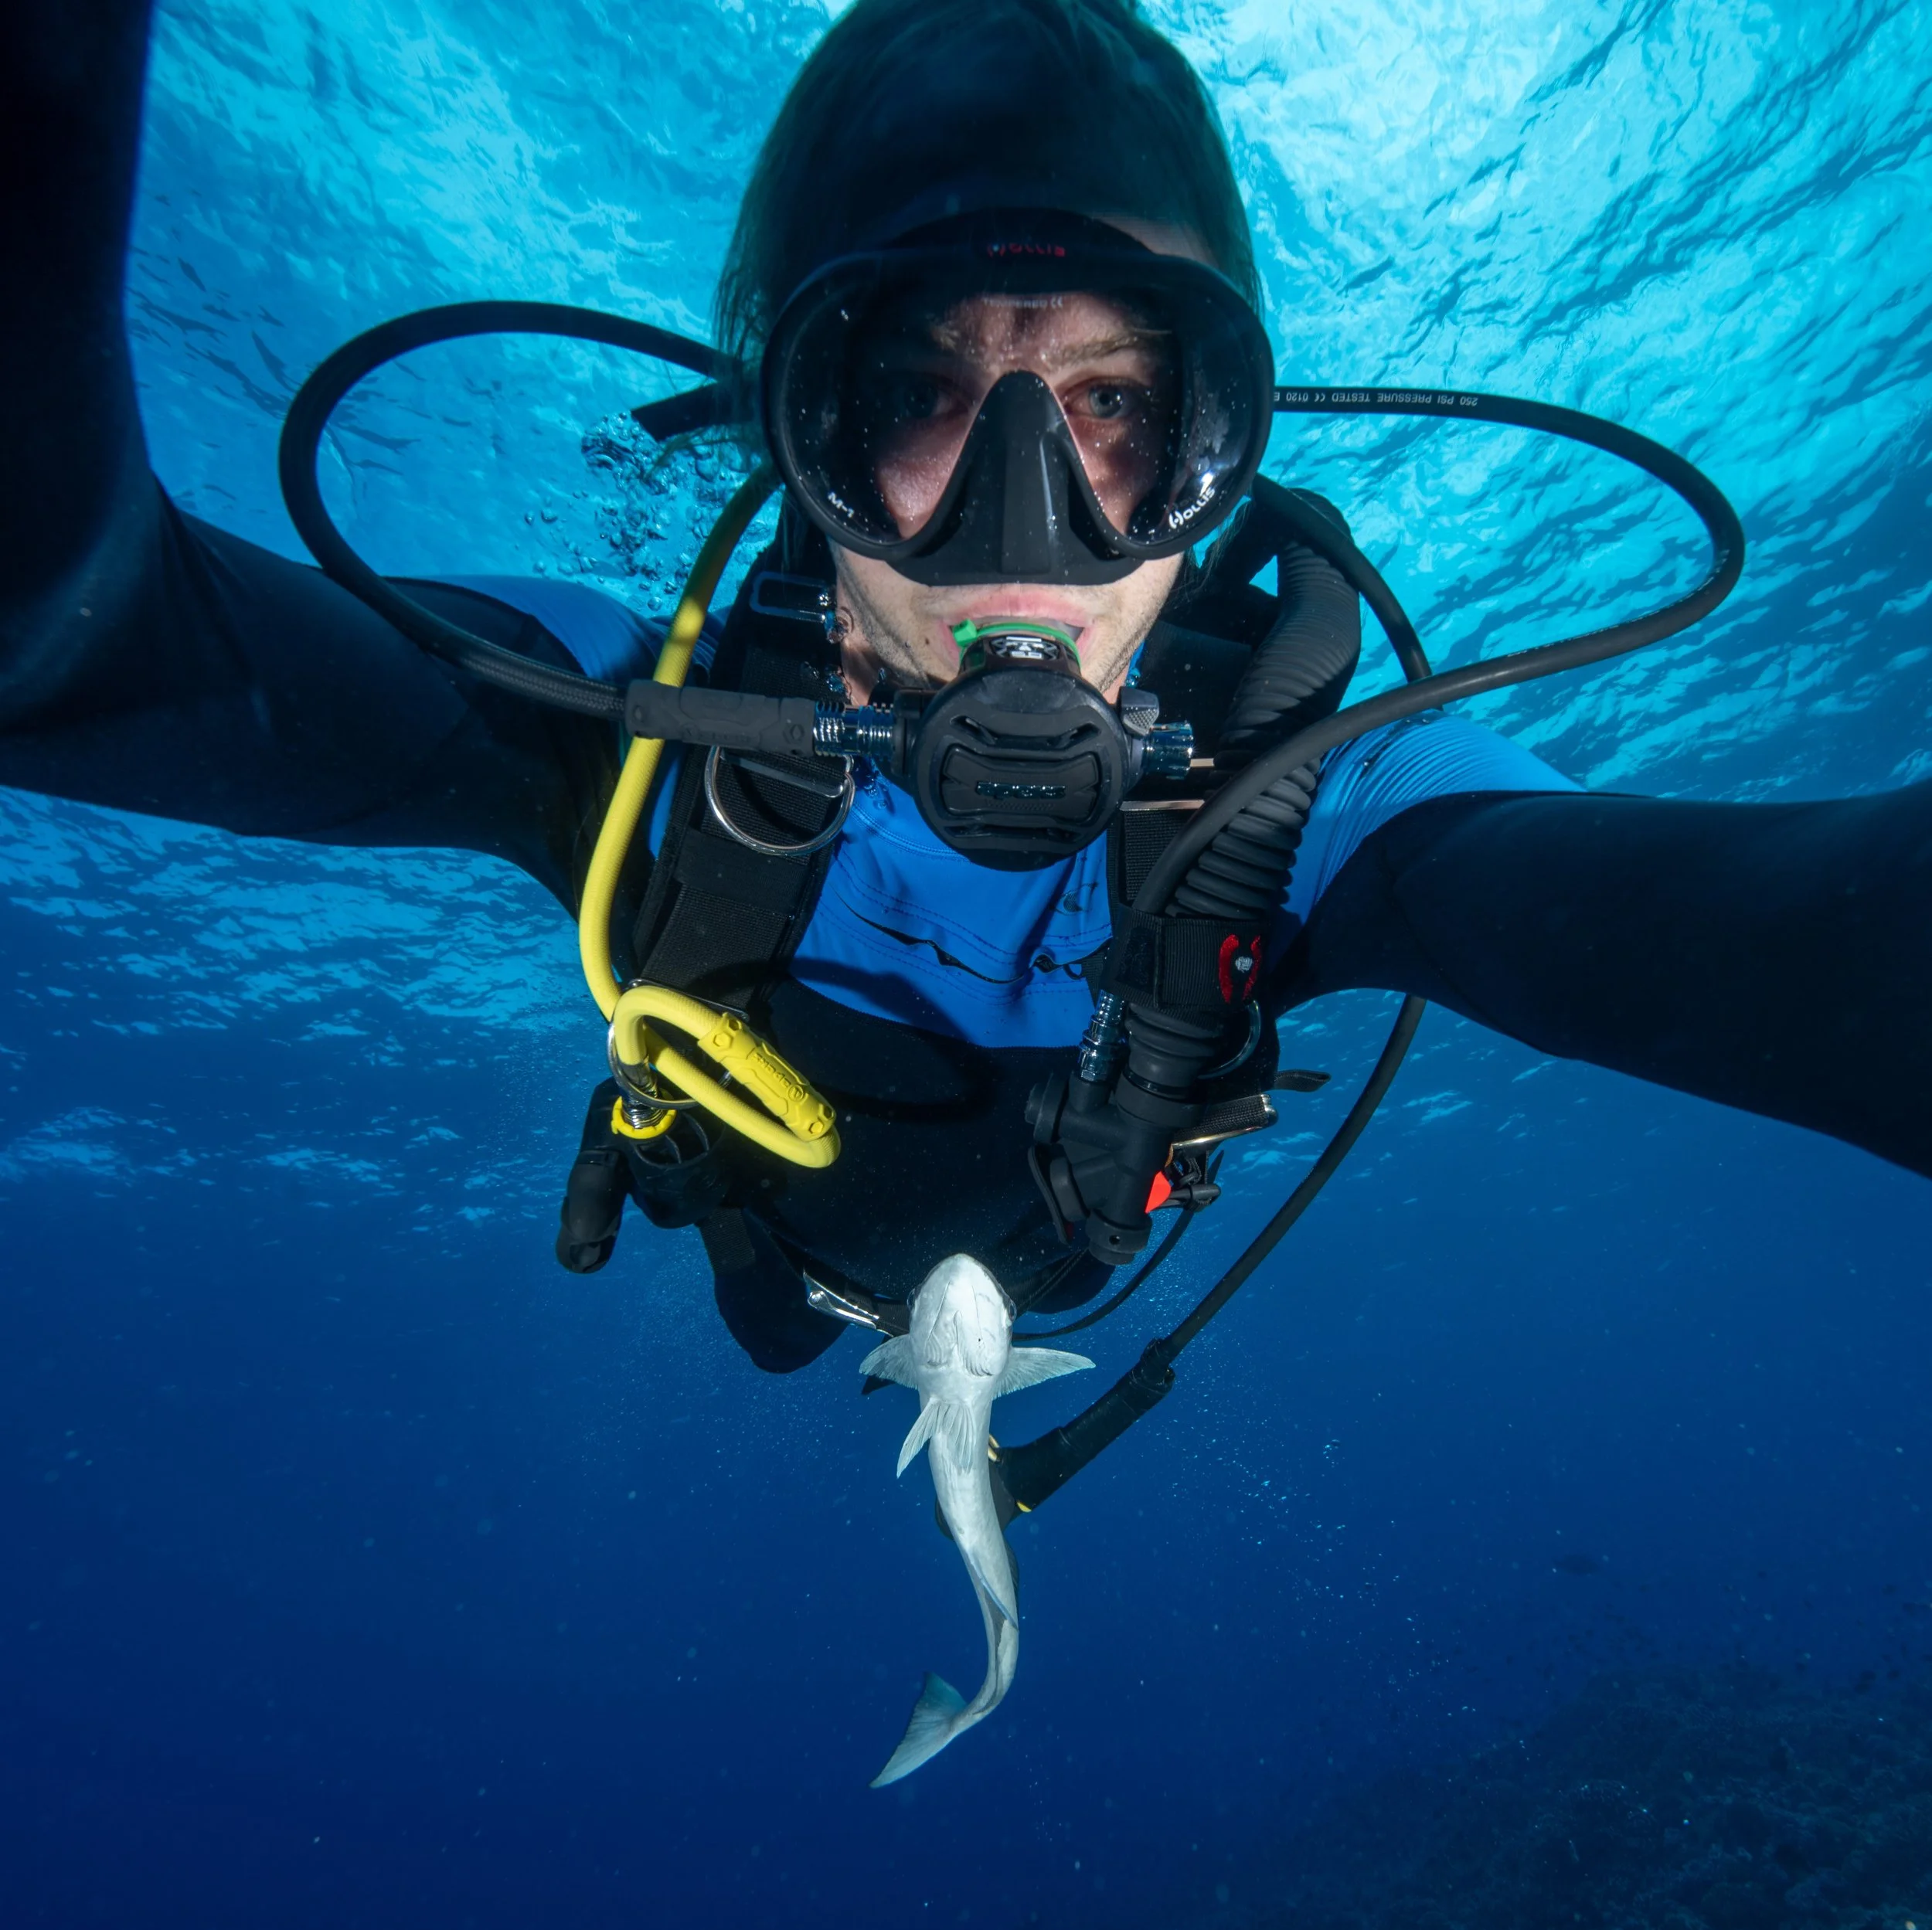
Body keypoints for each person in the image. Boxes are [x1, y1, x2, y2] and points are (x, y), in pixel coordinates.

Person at [4, 0, 1927, 1380]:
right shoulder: (632, 714)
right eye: (916, 394)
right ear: (798, 434)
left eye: (1107, 407)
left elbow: (1801, 951)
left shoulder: (1315, 792)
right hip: (785, 1262)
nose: (1030, 537)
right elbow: (70, 642)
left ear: (1218, 446)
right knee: (775, 1326)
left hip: (1060, 1270)